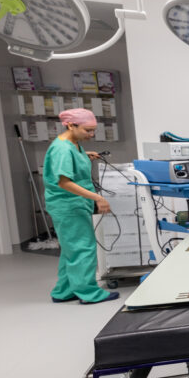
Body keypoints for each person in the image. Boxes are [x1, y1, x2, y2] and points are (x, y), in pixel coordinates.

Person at [43, 108, 119, 304]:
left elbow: (72, 162)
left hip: (73, 204)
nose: (91, 134)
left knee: (71, 249)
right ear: (70, 125)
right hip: (67, 205)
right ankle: (89, 293)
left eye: (93, 130)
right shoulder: (62, 149)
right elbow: (64, 182)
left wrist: (85, 156)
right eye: (87, 130)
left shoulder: (72, 145)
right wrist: (98, 198)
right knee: (82, 248)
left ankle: (64, 291)